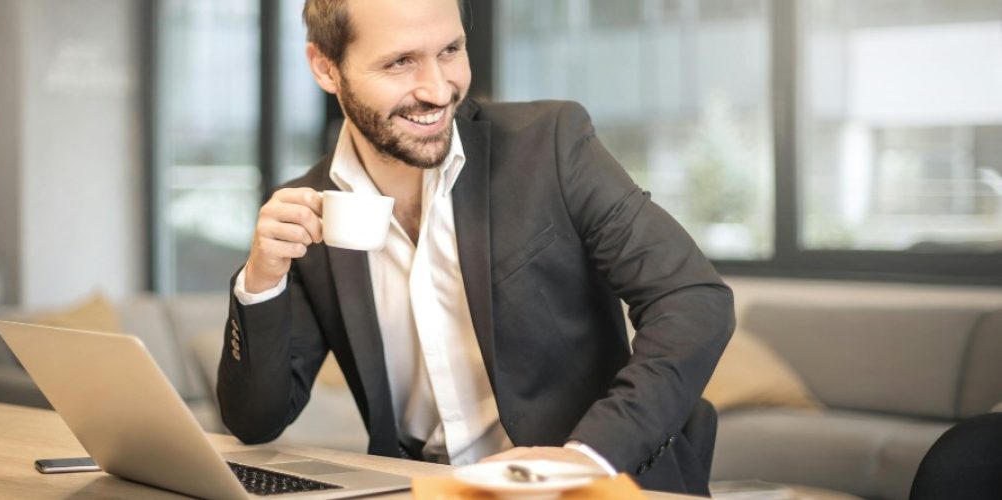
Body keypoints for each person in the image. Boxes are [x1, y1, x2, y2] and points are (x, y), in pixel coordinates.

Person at [217, 0, 735, 494]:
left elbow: (693, 299)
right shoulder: (310, 211)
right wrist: (261, 281)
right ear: (326, 67)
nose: (438, 89)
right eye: (400, 62)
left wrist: (587, 456)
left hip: (586, 488)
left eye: (450, 50)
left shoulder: (550, 145)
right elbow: (256, 421)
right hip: (423, 491)